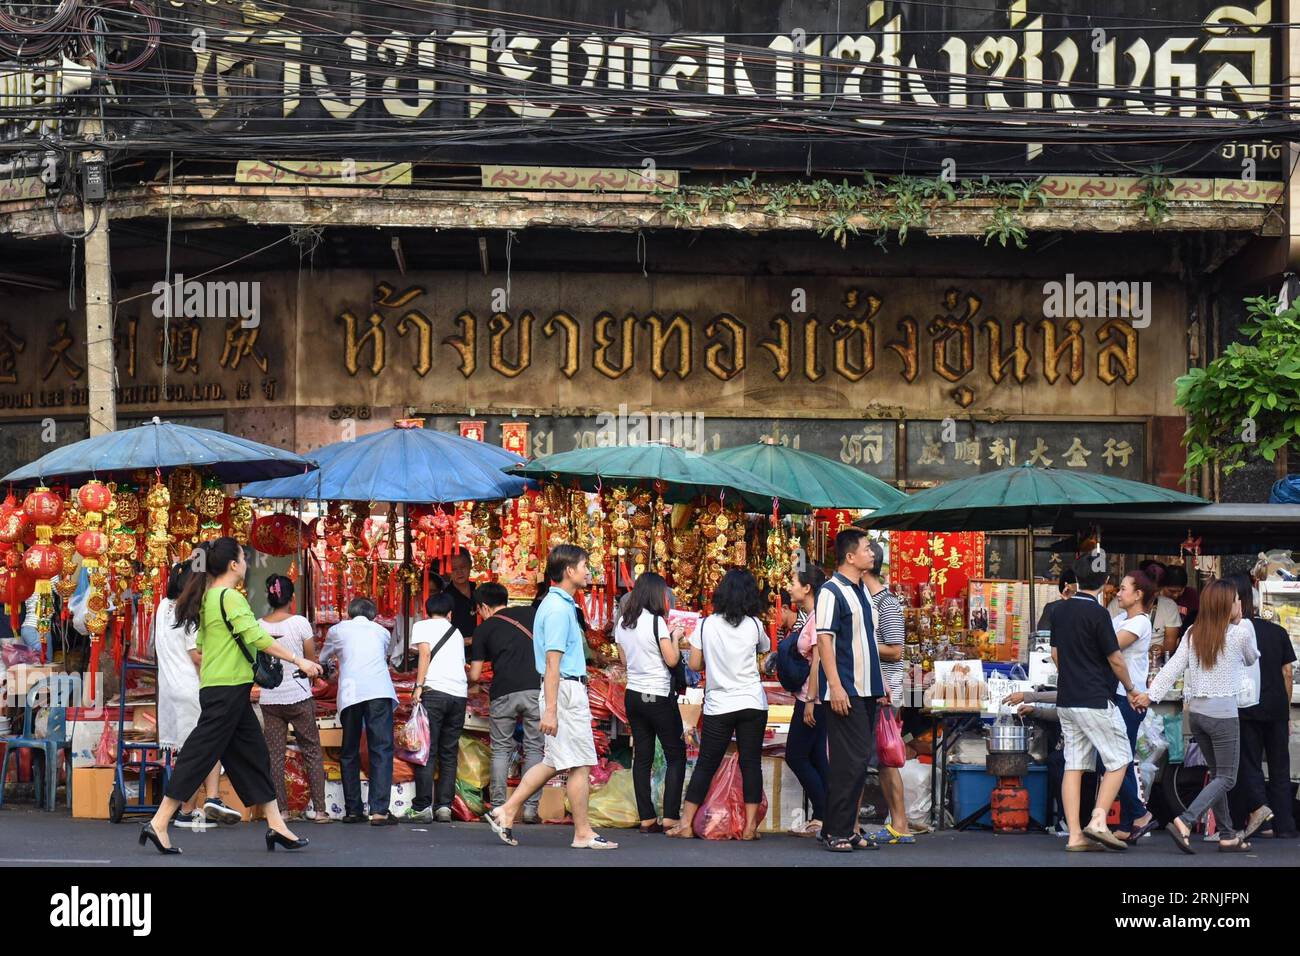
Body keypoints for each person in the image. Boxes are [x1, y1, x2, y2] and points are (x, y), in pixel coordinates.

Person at [141, 538, 321, 855]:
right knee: (199, 753)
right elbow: (254, 636)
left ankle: (277, 826)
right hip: (226, 689)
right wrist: (299, 660)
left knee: (255, 756)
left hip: (223, 687)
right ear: (234, 565)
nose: (247, 564)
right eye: (244, 559)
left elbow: (215, 645)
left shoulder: (209, 597)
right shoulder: (229, 598)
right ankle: (160, 821)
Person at [486, 545, 618, 850]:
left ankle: (505, 810)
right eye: (585, 565)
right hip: (566, 691)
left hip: (565, 690)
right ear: (569, 570)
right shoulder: (558, 609)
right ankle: (582, 832)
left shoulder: (557, 604)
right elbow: (552, 663)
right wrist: (551, 710)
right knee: (580, 764)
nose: (588, 571)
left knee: (554, 761)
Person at [1134, 579, 1260, 853]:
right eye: (1237, 600)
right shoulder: (1240, 634)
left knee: (1216, 775)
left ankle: (1227, 835)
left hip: (1198, 715)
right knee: (1227, 778)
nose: (1240, 604)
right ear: (1228, 605)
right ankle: (1185, 820)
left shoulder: (1193, 633)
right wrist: (1241, 624)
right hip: (1224, 716)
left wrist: (1150, 694)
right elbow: (1252, 658)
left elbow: (1172, 669)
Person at [668, 568, 769, 841]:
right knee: (751, 764)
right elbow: (763, 649)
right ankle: (749, 827)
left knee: (706, 763)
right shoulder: (755, 625)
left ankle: (686, 823)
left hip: (719, 704)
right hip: (751, 701)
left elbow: (695, 664)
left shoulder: (706, 625)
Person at [1051, 554, 1135, 852]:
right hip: (1095, 698)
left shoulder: (1059, 611)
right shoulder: (1099, 614)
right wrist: (1131, 688)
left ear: (1075, 580)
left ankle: (1075, 835)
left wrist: (1072, 676)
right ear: (1106, 582)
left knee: (1074, 765)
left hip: (1067, 699)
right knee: (1120, 758)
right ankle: (1099, 819)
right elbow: (1115, 658)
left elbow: (1056, 655)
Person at [816, 528, 884, 853]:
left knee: (859, 762)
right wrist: (835, 685)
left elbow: (867, 642)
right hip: (846, 689)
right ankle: (836, 832)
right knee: (849, 762)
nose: (872, 553)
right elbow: (824, 639)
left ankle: (843, 828)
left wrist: (879, 685)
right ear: (850, 556)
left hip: (867, 689)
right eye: (867, 548)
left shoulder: (863, 591)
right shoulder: (831, 591)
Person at [613, 571, 687, 834]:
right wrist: (675, 637)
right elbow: (672, 660)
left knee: (642, 757)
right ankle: (669, 817)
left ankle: (646, 818)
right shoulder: (657, 623)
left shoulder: (623, 623)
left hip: (634, 695)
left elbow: (623, 661)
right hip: (658, 696)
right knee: (675, 755)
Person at [153, 562, 226, 828]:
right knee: (205, 748)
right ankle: (191, 808)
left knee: (189, 750)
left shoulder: (163, 607)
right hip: (190, 687)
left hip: (170, 688)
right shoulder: (189, 613)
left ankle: (197, 805)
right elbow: (197, 656)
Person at [1226, 574, 1297, 839]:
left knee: (1250, 765)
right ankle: (1286, 825)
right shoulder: (1277, 631)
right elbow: (1287, 673)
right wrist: (1286, 708)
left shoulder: (1233, 634)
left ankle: (1263, 822)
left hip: (1246, 709)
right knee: (1280, 767)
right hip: (1277, 709)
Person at [321, 597, 399, 826]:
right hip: (378, 691)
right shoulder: (382, 632)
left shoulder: (337, 630)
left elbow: (324, 659)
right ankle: (379, 811)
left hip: (351, 693)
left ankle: (353, 810)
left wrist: (333, 666)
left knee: (349, 750)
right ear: (373, 615)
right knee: (381, 750)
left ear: (349, 613)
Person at [468, 583, 543, 824]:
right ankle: (531, 809)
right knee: (534, 749)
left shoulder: (484, 629)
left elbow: (476, 675)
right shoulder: (532, 614)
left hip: (503, 692)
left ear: (483, 607)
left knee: (501, 749)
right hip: (535, 689)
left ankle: (499, 807)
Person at [257, 574, 328, 825]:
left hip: (270, 699)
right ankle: (320, 811)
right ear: (292, 598)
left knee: (275, 755)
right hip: (298, 695)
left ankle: (282, 812)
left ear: (269, 596)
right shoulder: (299, 623)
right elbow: (310, 658)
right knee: (311, 751)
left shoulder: (258, 625)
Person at [863, 541, 913, 845]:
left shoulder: (887, 604)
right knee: (883, 761)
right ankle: (900, 825)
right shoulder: (869, 602)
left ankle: (901, 824)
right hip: (876, 691)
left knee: (886, 759)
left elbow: (895, 651)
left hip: (887, 692)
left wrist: (863, 644)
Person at [406, 591, 468, 823]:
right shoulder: (458, 633)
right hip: (458, 695)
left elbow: (424, 655)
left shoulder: (423, 626)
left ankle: (423, 806)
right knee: (448, 752)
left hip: (434, 692)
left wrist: (418, 686)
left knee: (427, 750)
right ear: (450, 614)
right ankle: (444, 807)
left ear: (427, 611)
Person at [1108, 572, 1157, 842]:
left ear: (1138, 594)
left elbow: (1109, 646)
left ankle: (1140, 813)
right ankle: (1127, 825)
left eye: (1123, 588)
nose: (1118, 592)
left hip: (1129, 697)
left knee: (1117, 759)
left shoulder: (1140, 623)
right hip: (1115, 694)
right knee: (1118, 758)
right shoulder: (1118, 619)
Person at [783, 564, 829, 838]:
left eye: (793, 581)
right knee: (815, 757)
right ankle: (824, 816)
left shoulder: (817, 618)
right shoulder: (811, 616)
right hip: (813, 696)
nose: (790, 586)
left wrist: (810, 699)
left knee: (796, 756)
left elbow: (818, 662)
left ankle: (823, 813)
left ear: (807, 588)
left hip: (813, 697)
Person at [446, 548, 478, 640]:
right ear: (447, 570)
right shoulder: (446, 597)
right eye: (453, 569)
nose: (459, 572)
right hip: (457, 649)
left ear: (470, 565)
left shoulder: (479, 590)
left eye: (463, 567)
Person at [1164, 565, 1199, 629]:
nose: (1175, 595)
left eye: (1179, 591)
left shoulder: (1191, 594)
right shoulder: (1157, 598)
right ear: (1162, 586)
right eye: (1171, 591)